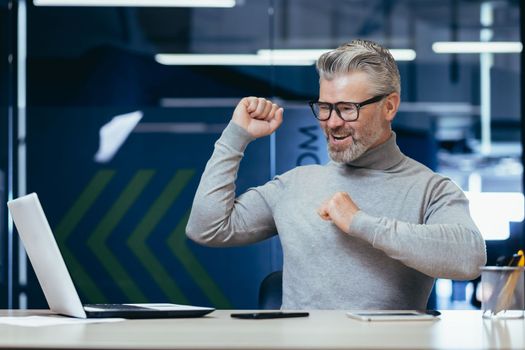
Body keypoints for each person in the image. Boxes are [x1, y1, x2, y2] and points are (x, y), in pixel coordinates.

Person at [186, 39, 487, 310]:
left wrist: (361, 223)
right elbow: (207, 228)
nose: (332, 123)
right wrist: (235, 137)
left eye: (346, 109)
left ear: (389, 106)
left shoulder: (430, 189)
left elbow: (469, 258)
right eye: (325, 108)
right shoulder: (296, 183)